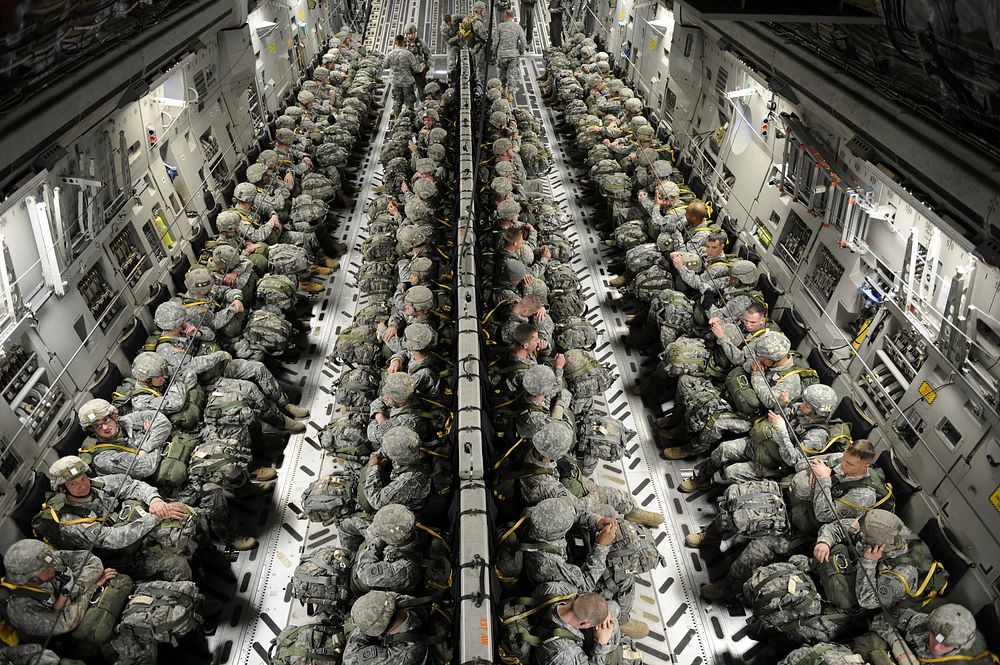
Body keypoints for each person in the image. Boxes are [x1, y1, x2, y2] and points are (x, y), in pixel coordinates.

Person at [1, 539, 111, 637]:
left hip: (75, 603)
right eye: (47, 568)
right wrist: (93, 586)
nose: (53, 565)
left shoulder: (46, 559)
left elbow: (92, 562)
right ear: (31, 578)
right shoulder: (19, 609)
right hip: (62, 640)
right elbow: (67, 621)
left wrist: (75, 588)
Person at [854, 603, 997, 665]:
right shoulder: (925, 623)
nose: (936, 647)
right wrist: (897, 643)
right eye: (935, 637)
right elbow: (881, 620)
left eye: (946, 645)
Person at [77, 398, 171, 480]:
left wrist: (145, 448)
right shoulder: (103, 458)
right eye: (97, 426)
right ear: (92, 431)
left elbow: (163, 422)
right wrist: (150, 435)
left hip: (167, 461)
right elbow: (146, 467)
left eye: (106, 420)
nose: (105, 427)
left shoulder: (126, 421)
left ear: (114, 416)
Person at [343, 591, 429, 665]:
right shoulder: (399, 600)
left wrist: (366, 626)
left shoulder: (404, 653)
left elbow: (349, 658)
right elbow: (382, 600)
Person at [533, 593, 621, 665]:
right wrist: (602, 644)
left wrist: (603, 611)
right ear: (585, 623)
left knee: (612, 607)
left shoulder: (559, 592)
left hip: (545, 623)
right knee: (613, 635)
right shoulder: (566, 654)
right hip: (559, 651)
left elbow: (590, 601)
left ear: (580, 596)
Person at [385, 35, 422, 118]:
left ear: (395, 43)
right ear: (404, 42)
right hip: (407, 82)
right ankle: (409, 119)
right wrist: (422, 65)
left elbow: (385, 66)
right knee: (409, 101)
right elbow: (417, 69)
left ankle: (396, 119)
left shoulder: (390, 54)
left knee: (397, 101)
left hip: (395, 82)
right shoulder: (408, 54)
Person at [492, 10, 526, 95]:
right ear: (513, 17)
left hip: (502, 55)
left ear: (505, 17)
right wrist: (520, 52)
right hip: (514, 55)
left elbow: (495, 43)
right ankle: (510, 93)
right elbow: (523, 42)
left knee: (502, 73)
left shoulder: (500, 27)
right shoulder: (518, 27)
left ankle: (503, 88)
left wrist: (494, 53)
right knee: (512, 74)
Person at [404, 24, 431, 101]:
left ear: (414, 33)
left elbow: (428, 54)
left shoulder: (420, 42)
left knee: (422, 88)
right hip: (407, 71)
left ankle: (425, 103)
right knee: (406, 91)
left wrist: (427, 65)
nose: (410, 36)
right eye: (408, 34)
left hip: (419, 70)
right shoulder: (403, 44)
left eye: (411, 34)